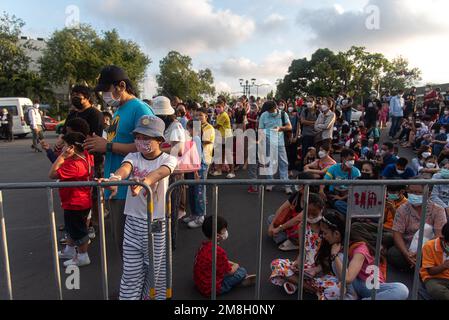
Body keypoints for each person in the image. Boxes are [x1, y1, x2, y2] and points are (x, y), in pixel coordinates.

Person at [84, 65, 155, 257]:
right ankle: (130, 285)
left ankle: (139, 286)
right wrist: (99, 144)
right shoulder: (118, 111)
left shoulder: (140, 108)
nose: (104, 95)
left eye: (106, 90)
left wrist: (107, 146)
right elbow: (118, 143)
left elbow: (148, 147)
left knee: (133, 250)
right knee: (122, 248)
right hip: (116, 187)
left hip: (131, 190)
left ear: (121, 86)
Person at [104, 115, 177, 300]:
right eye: (138, 137)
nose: (141, 141)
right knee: (131, 270)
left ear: (160, 140)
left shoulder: (168, 159)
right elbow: (125, 169)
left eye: (146, 137)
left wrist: (145, 182)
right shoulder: (132, 156)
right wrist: (115, 179)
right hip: (132, 222)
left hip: (156, 224)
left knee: (154, 271)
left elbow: (160, 173)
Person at [49, 132, 94, 267]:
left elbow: (51, 174)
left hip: (76, 203)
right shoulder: (85, 155)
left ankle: (82, 256)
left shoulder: (75, 165)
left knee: (79, 231)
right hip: (75, 201)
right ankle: (69, 250)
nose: (63, 148)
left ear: (72, 147)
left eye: (65, 145)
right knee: (71, 228)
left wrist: (62, 156)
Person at [332, 224, 409, 300]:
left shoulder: (371, 246)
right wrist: (334, 255)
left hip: (373, 286)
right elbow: (348, 278)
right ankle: (350, 296)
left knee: (401, 290)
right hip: (363, 284)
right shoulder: (359, 248)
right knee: (402, 289)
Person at [269, 194, 325, 294]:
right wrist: (297, 262)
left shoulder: (326, 228)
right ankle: (311, 288)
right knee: (276, 264)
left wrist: (316, 269)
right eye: (308, 213)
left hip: (321, 267)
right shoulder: (302, 226)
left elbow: (329, 256)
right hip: (306, 265)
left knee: (334, 285)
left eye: (314, 213)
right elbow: (302, 250)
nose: (311, 216)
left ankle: (297, 283)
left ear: (321, 210)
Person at [152, 96, 187, 248]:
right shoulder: (162, 127)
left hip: (173, 173)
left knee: (170, 209)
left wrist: (156, 150)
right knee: (158, 208)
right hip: (160, 171)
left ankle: (170, 242)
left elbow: (178, 149)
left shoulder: (176, 127)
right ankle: (159, 240)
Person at [388, 184, 447, 272]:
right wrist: (406, 254)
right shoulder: (402, 209)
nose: (414, 195)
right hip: (408, 248)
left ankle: (420, 266)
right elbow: (397, 234)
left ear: (428, 194)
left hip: (430, 250)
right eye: (411, 192)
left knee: (438, 257)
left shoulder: (438, 210)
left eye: (418, 193)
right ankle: (417, 265)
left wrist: (421, 253)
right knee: (393, 254)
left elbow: (439, 236)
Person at [194, 215, 256, 297]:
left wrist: (229, 263)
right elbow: (230, 271)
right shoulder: (219, 251)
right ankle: (241, 279)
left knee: (227, 268)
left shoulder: (203, 246)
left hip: (199, 283)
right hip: (211, 289)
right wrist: (236, 265)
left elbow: (217, 262)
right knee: (241, 271)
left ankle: (241, 279)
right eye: (224, 230)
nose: (226, 232)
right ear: (217, 235)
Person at [183, 115, 214, 229]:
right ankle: (194, 214)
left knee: (198, 192)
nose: (188, 131)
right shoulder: (194, 137)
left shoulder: (196, 138)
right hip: (194, 167)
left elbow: (198, 156)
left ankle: (200, 217)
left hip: (198, 168)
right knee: (192, 191)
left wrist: (196, 171)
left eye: (189, 128)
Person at [258, 100, 293, 194]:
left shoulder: (283, 114)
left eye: (271, 110)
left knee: (283, 163)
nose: (269, 113)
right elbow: (260, 129)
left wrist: (280, 128)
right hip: (267, 142)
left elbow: (289, 127)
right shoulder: (264, 115)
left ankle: (286, 185)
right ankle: (270, 183)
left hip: (280, 142)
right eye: (268, 111)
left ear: (275, 107)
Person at [320, 148, 361, 215]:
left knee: (338, 204)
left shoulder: (356, 172)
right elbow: (325, 180)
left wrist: (342, 198)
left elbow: (356, 190)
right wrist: (321, 190)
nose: (352, 162)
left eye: (353, 160)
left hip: (348, 196)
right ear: (343, 159)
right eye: (350, 159)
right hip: (334, 194)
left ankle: (354, 214)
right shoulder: (334, 168)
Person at [420, 222, 449, 300]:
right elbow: (430, 272)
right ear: (443, 239)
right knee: (436, 290)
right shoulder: (429, 246)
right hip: (433, 278)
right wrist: (444, 266)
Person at [211, 101, 235, 178]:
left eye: (219, 107)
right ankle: (219, 170)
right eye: (216, 107)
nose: (217, 108)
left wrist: (208, 126)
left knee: (228, 154)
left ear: (223, 107)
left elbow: (217, 126)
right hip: (221, 136)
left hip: (227, 136)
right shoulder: (219, 115)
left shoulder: (224, 115)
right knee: (221, 154)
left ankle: (232, 172)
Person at [299, 97, 318, 170]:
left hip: (315, 135)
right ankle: (303, 167)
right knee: (304, 151)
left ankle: (313, 167)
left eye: (311, 101)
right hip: (306, 134)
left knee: (314, 152)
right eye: (308, 101)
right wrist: (314, 122)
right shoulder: (304, 111)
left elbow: (319, 122)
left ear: (314, 102)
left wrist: (308, 122)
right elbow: (303, 121)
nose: (309, 103)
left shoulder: (318, 112)